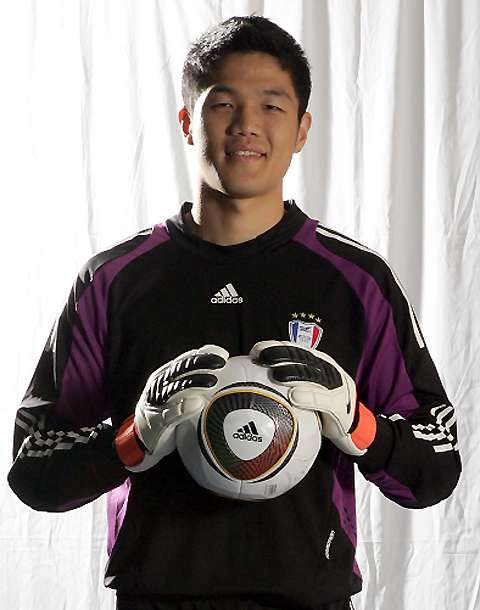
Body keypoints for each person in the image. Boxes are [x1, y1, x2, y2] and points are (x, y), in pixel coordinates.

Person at [8, 15, 461, 610]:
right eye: (223, 104)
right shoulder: (114, 281)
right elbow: (34, 472)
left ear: (301, 130)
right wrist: (134, 435)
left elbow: (434, 469)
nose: (247, 123)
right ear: (186, 122)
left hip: (309, 600)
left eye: (271, 106)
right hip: (156, 598)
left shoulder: (357, 280)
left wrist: (354, 419)